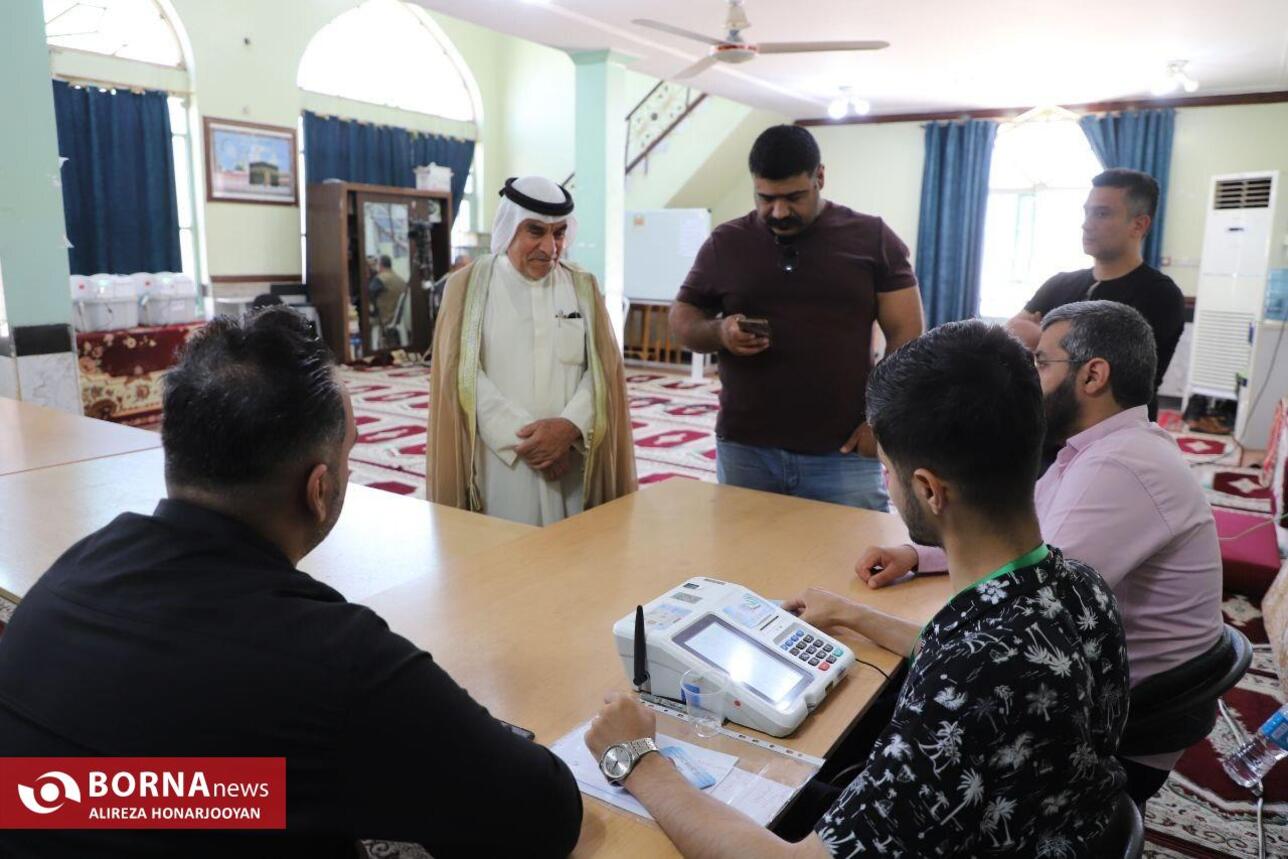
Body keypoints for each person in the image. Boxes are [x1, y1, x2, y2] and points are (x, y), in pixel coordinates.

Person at [0, 308, 582, 857]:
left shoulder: (68, 576)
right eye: (349, 453)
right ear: (319, 489)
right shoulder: (335, 660)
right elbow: (543, 813)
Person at [587, 320, 1129, 857]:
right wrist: (852, 614)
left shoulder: (970, 675)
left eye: (887, 469)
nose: (887, 483)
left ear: (929, 490)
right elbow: (966, 647)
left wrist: (638, 759)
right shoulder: (1081, 586)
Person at [857, 301, 1223, 805]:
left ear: (1093, 375)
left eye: (1042, 362)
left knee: (871, 711)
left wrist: (854, 617)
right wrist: (919, 555)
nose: (1030, 376)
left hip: (1111, 728)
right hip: (1102, 691)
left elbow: (1010, 613)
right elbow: (1019, 534)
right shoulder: (1104, 449)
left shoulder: (1117, 468)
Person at [669, 125, 924, 511]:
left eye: (793, 197)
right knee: (743, 549)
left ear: (819, 177)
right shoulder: (727, 242)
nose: (779, 211)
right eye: (766, 198)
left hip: (844, 451)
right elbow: (682, 318)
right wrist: (720, 331)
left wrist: (882, 420)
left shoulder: (872, 239)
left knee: (852, 550)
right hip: (746, 447)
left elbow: (907, 334)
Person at [428, 176, 636, 525]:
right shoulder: (467, 288)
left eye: (559, 233)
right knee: (504, 547)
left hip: (572, 457)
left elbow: (603, 370)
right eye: (535, 231)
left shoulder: (582, 287)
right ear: (509, 228)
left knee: (575, 547)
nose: (550, 247)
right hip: (503, 462)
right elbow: (460, 373)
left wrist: (568, 428)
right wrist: (531, 443)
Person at [1008, 168, 1185, 419]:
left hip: (1117, 432)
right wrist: (1058, 351)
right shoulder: (1059, 284)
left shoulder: (1160, 295)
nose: (1087, 224)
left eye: (1102, 214)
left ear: (1138, 224)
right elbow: (1010, 336)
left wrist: (1039, 339)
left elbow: (1109, 377)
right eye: (1087, 212)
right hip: (1047, 425)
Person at [368, 254, 408, 347]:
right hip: (396, 317)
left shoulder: (381, 278)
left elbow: (368, 293)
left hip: (384, 317)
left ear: (380, 265)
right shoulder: (400, 279)